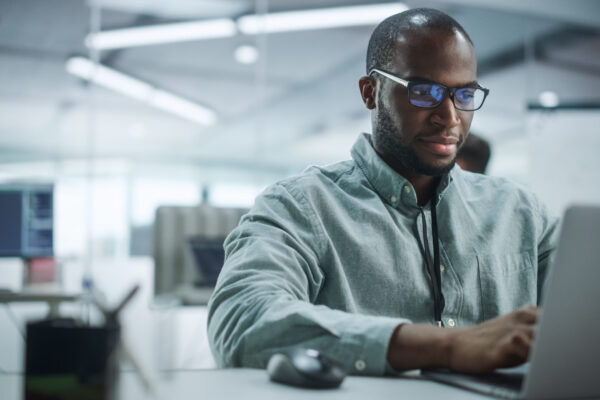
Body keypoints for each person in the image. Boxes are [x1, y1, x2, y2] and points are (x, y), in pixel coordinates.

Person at [207, 8, 558, 376]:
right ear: (370, 92)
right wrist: (447, 347)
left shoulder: (521, 212)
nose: (451, 117)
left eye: (464, 94)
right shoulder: (299, 207)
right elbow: (241, 321)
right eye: (425, 92)